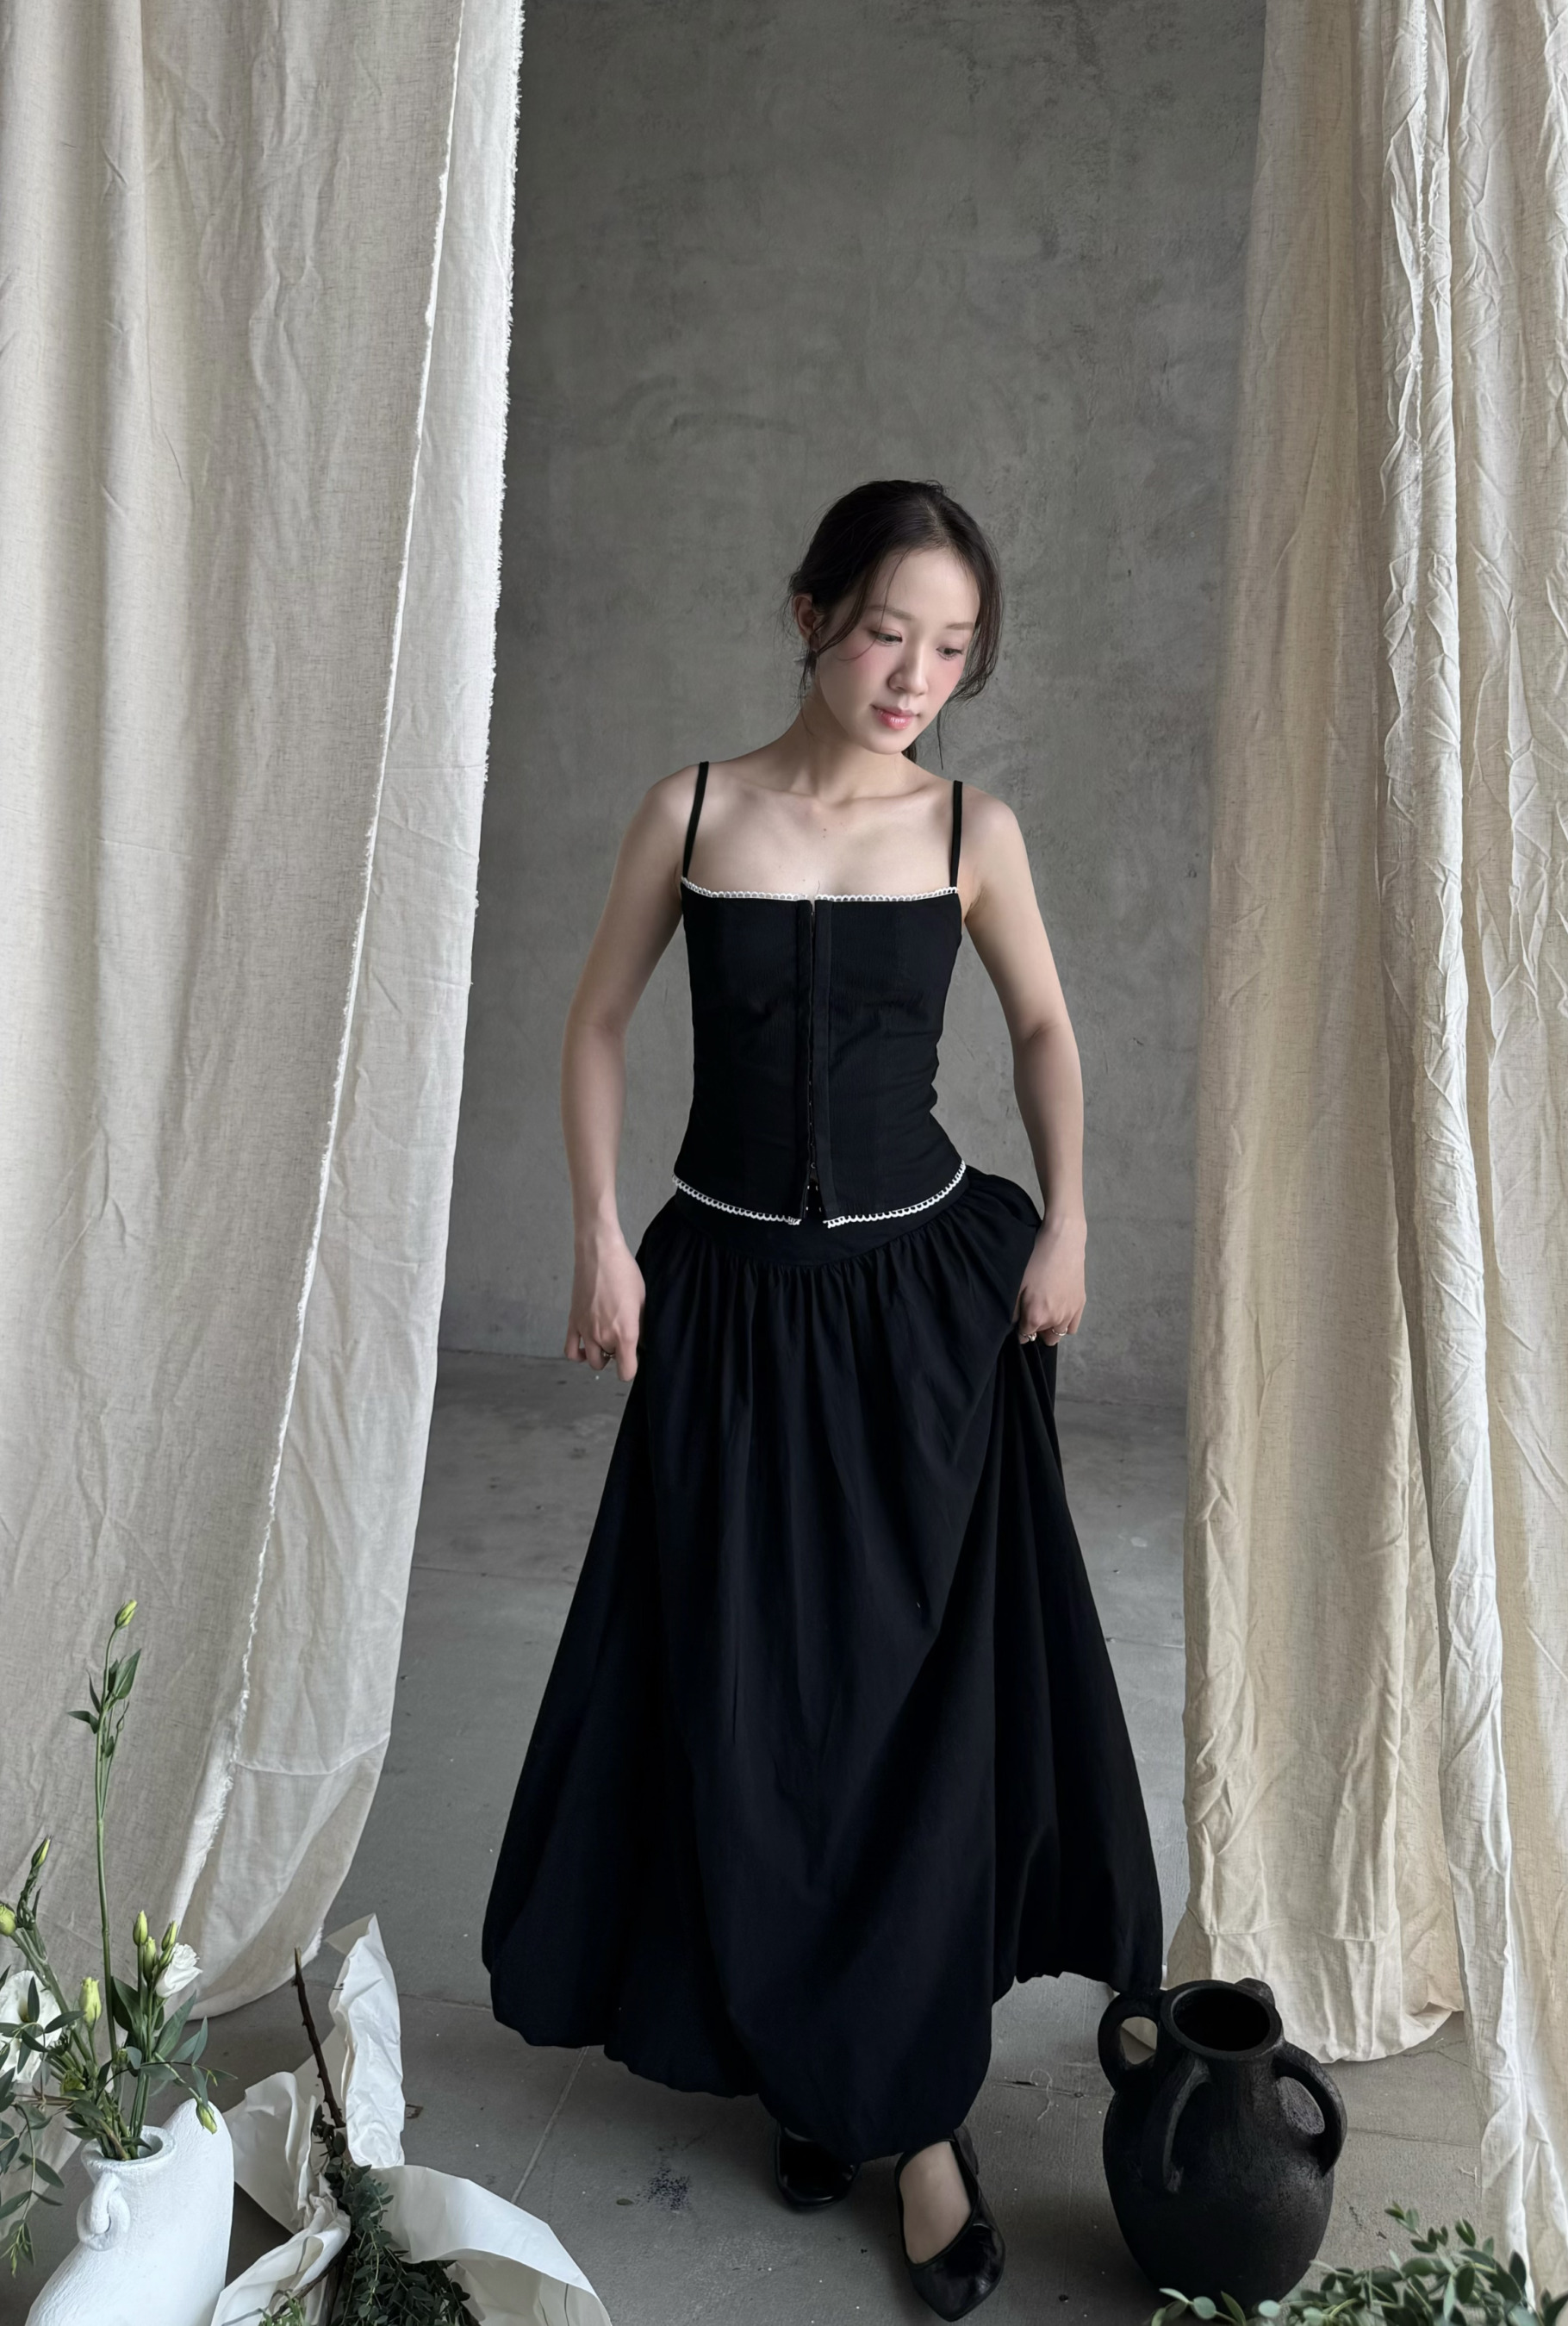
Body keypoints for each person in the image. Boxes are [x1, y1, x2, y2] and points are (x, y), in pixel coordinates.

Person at [482, 477, 1161, 2320]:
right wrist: (599, 1240)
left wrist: (1069, 1219)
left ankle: (916, 2121)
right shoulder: (693, 811)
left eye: (951, 649)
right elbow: (596, 1022)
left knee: (903, 1713)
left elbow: (1040, 1026)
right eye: (885, 633)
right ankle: (807, 2060)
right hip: (724, 1306)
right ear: (810, 614)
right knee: (752, 1703)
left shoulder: (969, 827)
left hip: (918, 1314)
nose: (914, 677)